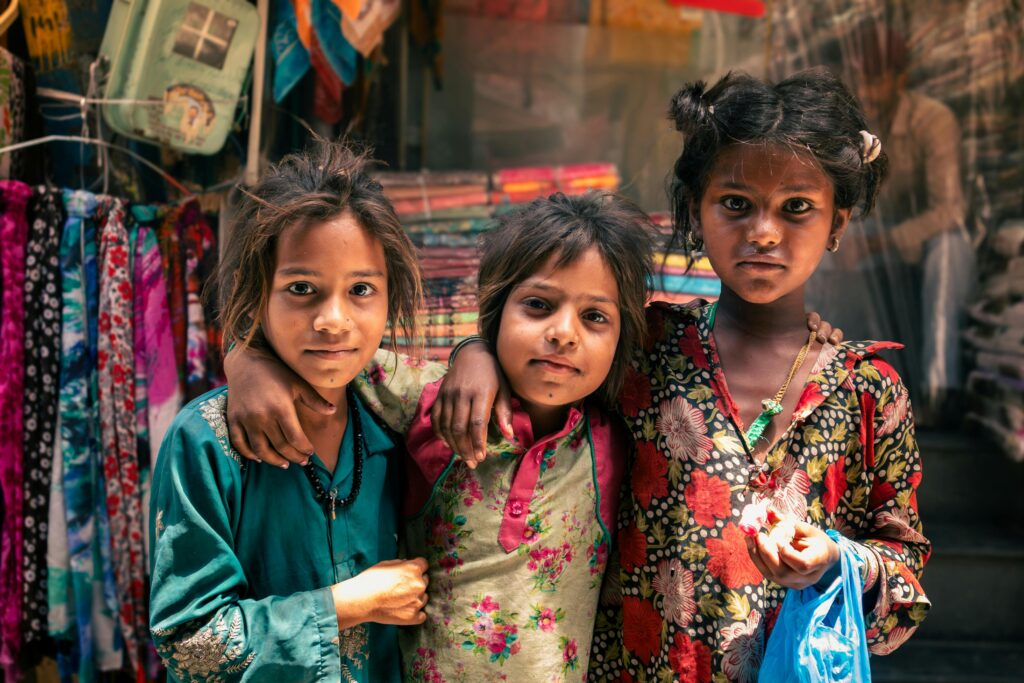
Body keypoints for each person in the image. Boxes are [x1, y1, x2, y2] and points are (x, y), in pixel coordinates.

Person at [438, 69, 931, 680]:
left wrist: (836, 561)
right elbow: (542, 362)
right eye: (736, 204)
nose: (765, 232)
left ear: (838, 223)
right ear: (696, 213)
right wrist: (475, 350)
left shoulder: (870, 391)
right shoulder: (642, 345)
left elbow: (905, 570)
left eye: (797, 207)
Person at [147, 141, 440, 682]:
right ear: (258, 295)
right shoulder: (206, 443)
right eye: (301, 289)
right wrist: (346, 604)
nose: (333, 319)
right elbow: (188, 642)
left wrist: (473, 352)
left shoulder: (391, 420)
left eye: (361, 290)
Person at [814, 20, 974, 422]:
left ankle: (940, 389)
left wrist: (881, 242)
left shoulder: (932, 120)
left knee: (951, 247)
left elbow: (950, 210)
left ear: (900, 78)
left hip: (921, 238)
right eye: (862, 76)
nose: (869, 86)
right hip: (869, 236)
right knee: (813, 245)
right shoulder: (852, 124)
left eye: (878, 76)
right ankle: (816, 376)